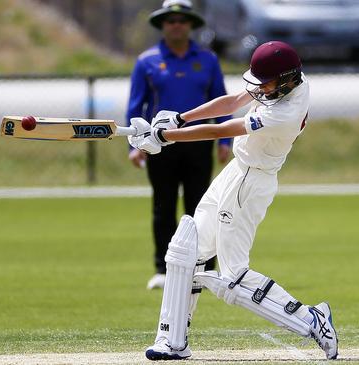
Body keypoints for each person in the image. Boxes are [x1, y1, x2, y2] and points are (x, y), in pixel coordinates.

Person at [128, 41, 338, 361]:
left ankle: (313, 320)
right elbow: (233, 101)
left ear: (286, 80)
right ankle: (173, 340)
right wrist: (180, 119)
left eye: (266, 82)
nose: (260, 88)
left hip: (251, 183)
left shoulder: (285, 111)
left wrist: (164, 137)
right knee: (188, 250)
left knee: (233, 278)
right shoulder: (281, 82)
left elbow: (223, 129)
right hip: (236, 171)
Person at [127, 0, 231, 289]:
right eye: (170, 20)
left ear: (190, 24)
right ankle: (163, 268)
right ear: (162, 24)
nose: (176, 25)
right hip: (160, 143)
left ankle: (204, 268)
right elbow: (137, 106)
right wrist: (134, 145)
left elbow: (221, 100)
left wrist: (225, 139)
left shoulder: (207, 59)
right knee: (164, 205)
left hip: (199, 142)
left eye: (182, 20)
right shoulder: (147, 61)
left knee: (202, 205)